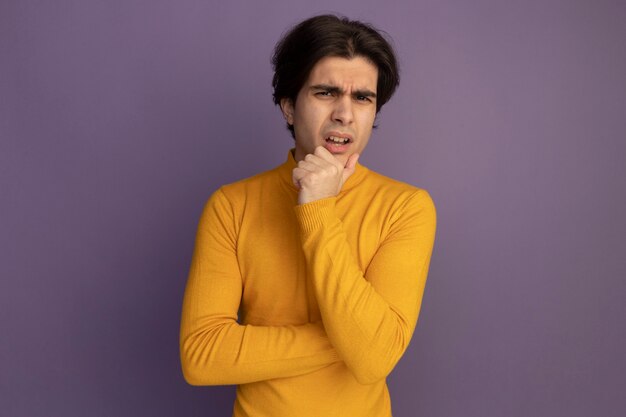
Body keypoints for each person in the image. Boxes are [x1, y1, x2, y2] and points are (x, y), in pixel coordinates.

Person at [179, 14, 437, 417]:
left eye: (362, 98)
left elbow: (373, 362)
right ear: (288, 107)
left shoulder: (405, 207)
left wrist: (317, 209)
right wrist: (350, 341)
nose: (344, 114)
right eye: (325, 92)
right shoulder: (231, 206)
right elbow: (202, 356)